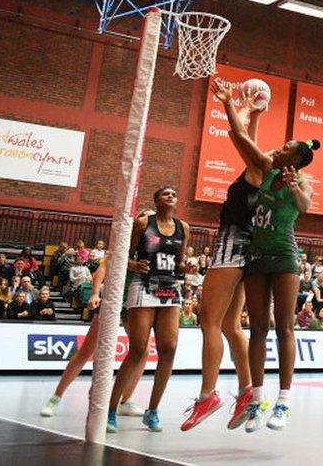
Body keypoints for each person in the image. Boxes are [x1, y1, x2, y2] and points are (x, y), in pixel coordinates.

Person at [213, 80, 320, 434]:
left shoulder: (300, 182)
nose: (280, 145)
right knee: (258, 328)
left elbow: (304, 207)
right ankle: (257, 400)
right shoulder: (264, 166)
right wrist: (230, 105)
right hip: (256, 256)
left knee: (284, 327)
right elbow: (242, 139)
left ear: (296, 157)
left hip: (284, 256)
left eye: (287, 145)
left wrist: (293, 187)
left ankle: (284, 401)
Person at [181, 82, 267, 432]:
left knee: (210, 322)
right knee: (232, 324)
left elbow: (239, 136)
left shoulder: (260, 169)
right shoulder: (262, 171)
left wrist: (231, 103)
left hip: (232, 246)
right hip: (249, 249)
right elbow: (247, 141)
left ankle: (208, 395)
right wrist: (256, 112)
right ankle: (248, 393)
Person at [107, 186, 190, 433]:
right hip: (143, 286)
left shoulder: (183, 228)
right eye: (166, 194)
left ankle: (152, 410)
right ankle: (110, 410)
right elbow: (122, 255)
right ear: (156, 200)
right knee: (138, 349)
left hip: (170, 289)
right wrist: (134, 263)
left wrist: (188, 268)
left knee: (169, 349)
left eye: (175, 194)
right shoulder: (143, 222)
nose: (171, 196)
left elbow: (181, 263)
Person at [39, 251, 148, 419]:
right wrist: (95, 293)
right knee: (86, 351)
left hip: (133, 303)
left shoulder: (147, 245)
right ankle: (56, 397)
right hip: (111, 301)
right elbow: (103, 268)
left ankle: (126, 401)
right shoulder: (122, 243)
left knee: (144, 351)